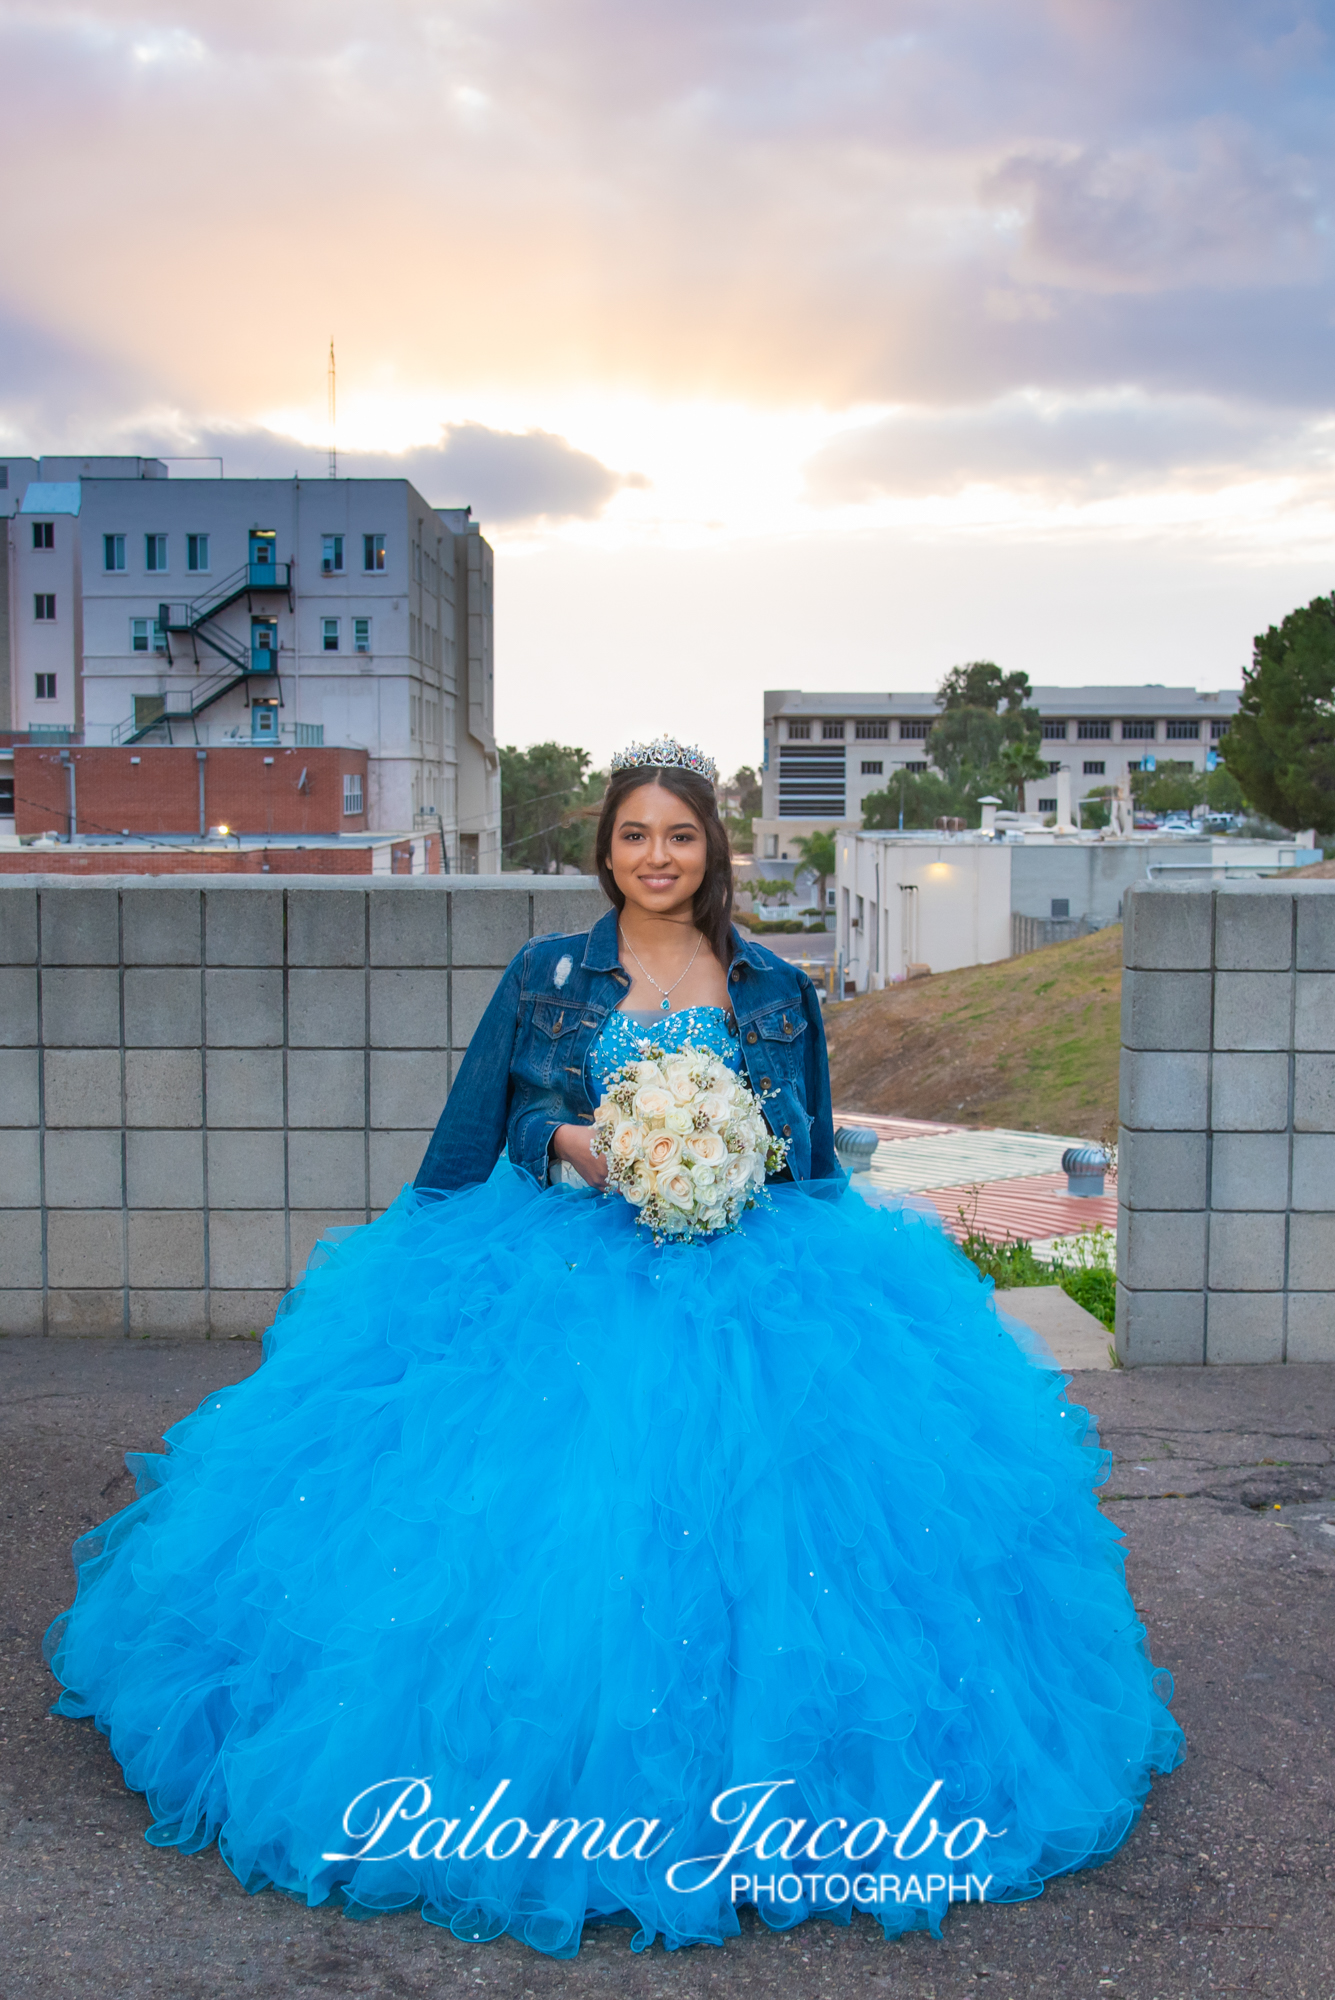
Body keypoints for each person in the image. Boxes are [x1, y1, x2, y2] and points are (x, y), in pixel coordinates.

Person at [45, 737, 1183, 1961]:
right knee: (539, 1527)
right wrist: (576, 1146)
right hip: (565, 1263)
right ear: (606, 849)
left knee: (792, 1524)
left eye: (681, 835)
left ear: (713, 850)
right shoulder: (547, 974)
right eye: (635, 834)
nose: (657, 856)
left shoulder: (774, 985)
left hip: (757, 1276)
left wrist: (730, 1146)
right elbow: (487, 1121)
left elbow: (808, 1159)